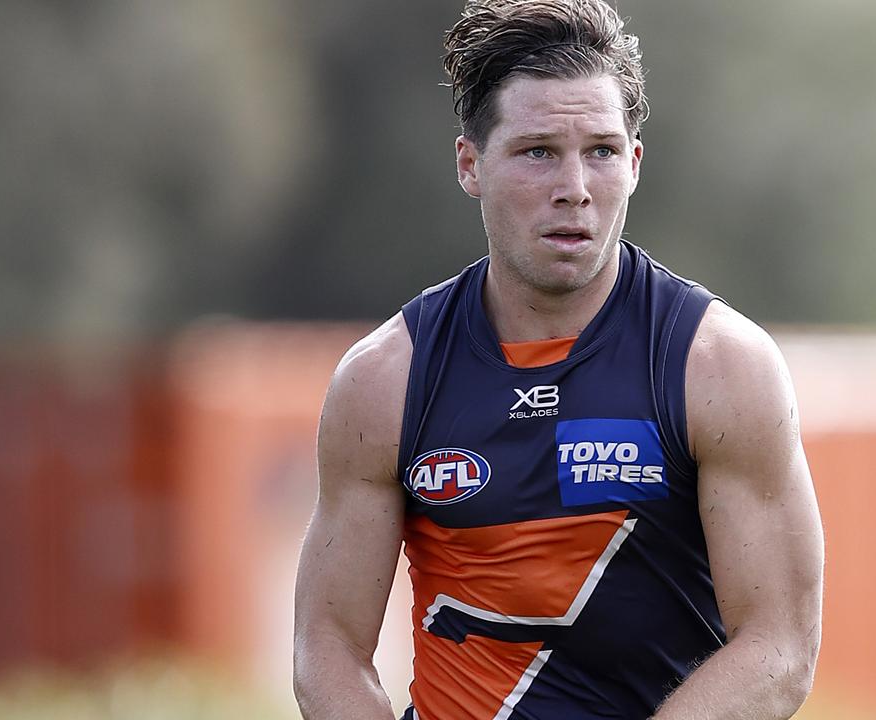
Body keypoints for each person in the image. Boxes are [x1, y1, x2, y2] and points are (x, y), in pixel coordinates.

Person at [293, 1, 824, 717]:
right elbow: (327, 645)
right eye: (538, 150)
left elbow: (780, 649)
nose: (574, 187)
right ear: (469, 164)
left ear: (634, 165)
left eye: (601, 151)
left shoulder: (719, 367)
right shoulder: (386, 380)